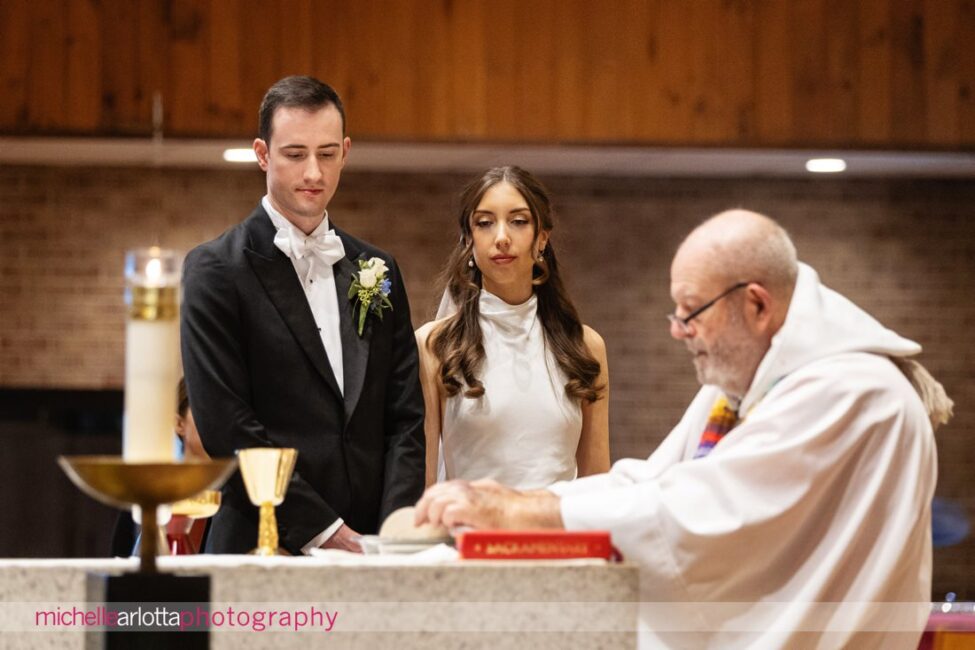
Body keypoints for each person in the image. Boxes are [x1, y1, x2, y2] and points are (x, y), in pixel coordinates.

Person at [416, 209, 951, 649]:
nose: (679, 331)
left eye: (691, 312)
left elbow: (702, 508)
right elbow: (652, 481)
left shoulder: (852, 393)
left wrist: (529, 511)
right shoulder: (745, 383)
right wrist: (514, 501)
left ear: (757, 304)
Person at [181, 76, 425, 555]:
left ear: (346, 151)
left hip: (374, 552)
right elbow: (227, 428)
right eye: (295, 154)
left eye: (328, 153)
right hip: (263, 543)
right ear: (262, 154)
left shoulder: (377, 268)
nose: (314, 172)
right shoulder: (216, 270)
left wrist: (393, 534)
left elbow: (405, 418)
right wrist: (328, 532)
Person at [415, 166, 610, 489]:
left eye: (518, 222)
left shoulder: (586, 346)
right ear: (468, 239)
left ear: (542, 237)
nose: (502, 237)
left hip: (560, 536)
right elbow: (424, 485)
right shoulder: (434, 344)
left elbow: (598, 485)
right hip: (468, 536)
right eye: (485, 223)